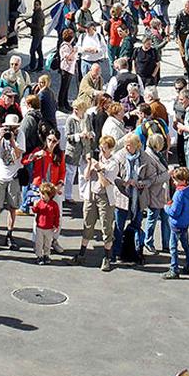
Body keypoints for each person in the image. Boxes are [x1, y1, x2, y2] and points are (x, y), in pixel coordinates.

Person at [112, 134, 166, 265]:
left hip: (139, 196)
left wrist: (143, 183)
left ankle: (136, 251)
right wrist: (125, 182)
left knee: (136, 225)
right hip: (122, 196)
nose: (126, 147)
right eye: (126, 144)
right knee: (119, 226)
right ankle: (116, 252)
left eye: (129, 145)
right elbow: (113, 176)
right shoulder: (119, 156)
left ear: (137, 145)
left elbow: (151, 178)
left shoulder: (145, 158)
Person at [77, 135, 118, 272]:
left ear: (111, 149)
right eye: (101, 147)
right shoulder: (97, 159)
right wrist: (90, 164)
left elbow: (105, 183)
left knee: (106, 227)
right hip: (91, 195)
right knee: (88, 223)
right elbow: (86, 176)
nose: (102, 150)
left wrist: (100, 170)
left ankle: (107, 258)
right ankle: (81, 253)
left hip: (105, 198)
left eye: (105, 148)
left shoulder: (113, 163)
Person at [0, 114, 25, 252]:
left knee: (12, 208)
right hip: (0, 176)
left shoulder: (20, 134)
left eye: (13, 127)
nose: (10, 129)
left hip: (13, 176)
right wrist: (0, 137)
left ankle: (9, 234)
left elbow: (18, 155)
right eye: (8, 127)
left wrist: (13, 141)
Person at [164, 166, 189, 279]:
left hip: (176, 225)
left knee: (173, 247)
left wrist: (166, 207)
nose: (174, 182)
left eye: (175, 180)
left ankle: (174, 269)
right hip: (185, 223)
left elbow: (174, 212)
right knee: (186, 245)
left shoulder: (179, 194)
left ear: (182, 180)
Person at [64, 97, 94, 211]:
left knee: (83, 173)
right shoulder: (70, 120)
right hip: (73, 150)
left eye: (78, 109)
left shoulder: (87, 117)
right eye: (75, 108)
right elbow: (68, 136)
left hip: (85, 149)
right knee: (70, 173)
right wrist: (79, 135)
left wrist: (90, 134)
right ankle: (68, 196)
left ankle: (83, 194)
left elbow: (91, 130)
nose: (76, 110)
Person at [31, 182, 61, 265]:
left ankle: (46, 255)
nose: (41, 196)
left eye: (43, 194)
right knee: (39, 243)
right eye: (41, 194)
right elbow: (35, 210)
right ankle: (39, 256)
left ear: (50, 195)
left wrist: (56, 225)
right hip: (40, 227)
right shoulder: (40, 203)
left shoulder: (54, 205)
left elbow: (57, 216)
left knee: (48, 243)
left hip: (49, 228)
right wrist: (34, 206)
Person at [57, 29, 79, 112]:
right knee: (63, 88)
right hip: (65, 69)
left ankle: (65, 103)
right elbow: (68, 57)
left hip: (69, 69)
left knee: (66, 88)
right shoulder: (65, 46)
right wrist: (74, 51)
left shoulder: (68, 45)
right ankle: (61, 105)